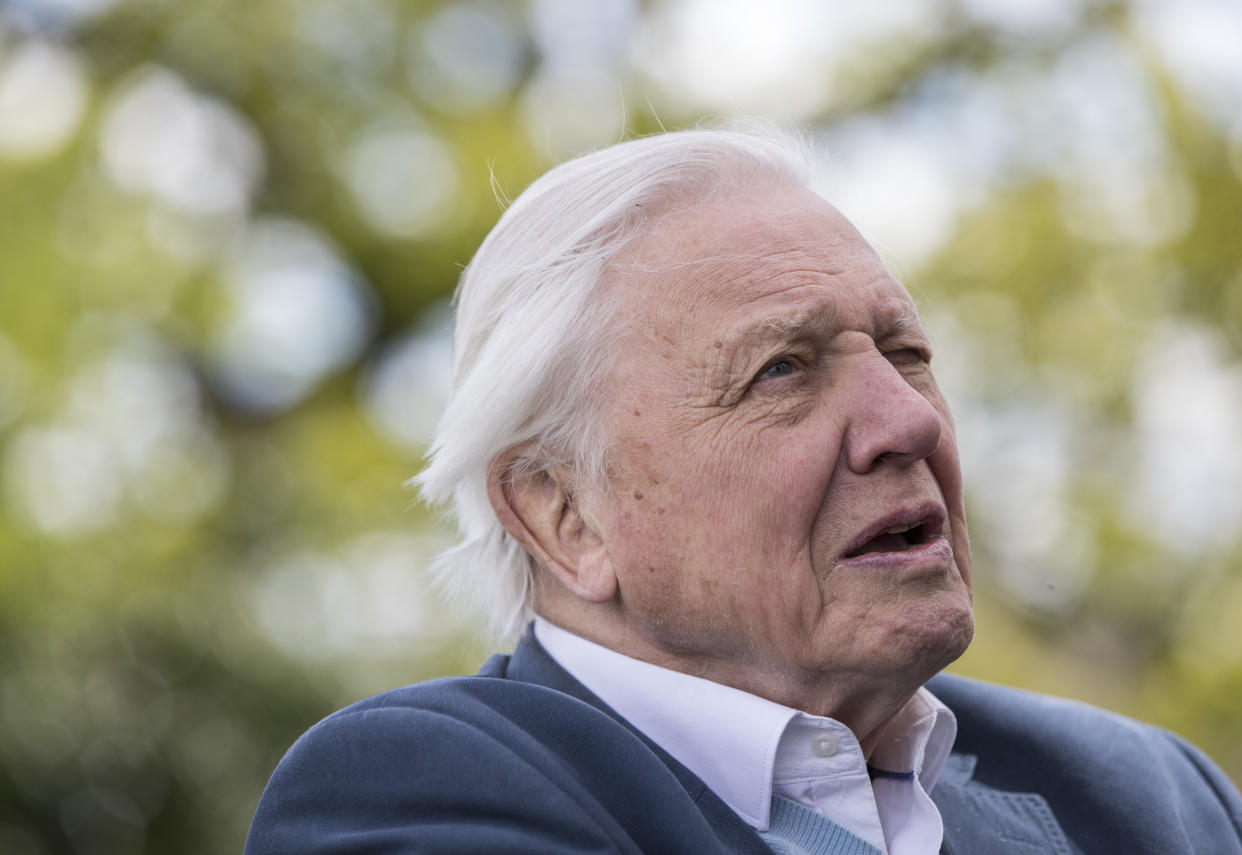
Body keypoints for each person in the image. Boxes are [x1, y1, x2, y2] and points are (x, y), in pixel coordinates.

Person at [245, 128, 1242, 855]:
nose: (910, 422)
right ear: (564, 513)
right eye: (782, 372)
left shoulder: (1158, 799)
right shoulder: (414, 794)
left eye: (908, 353)